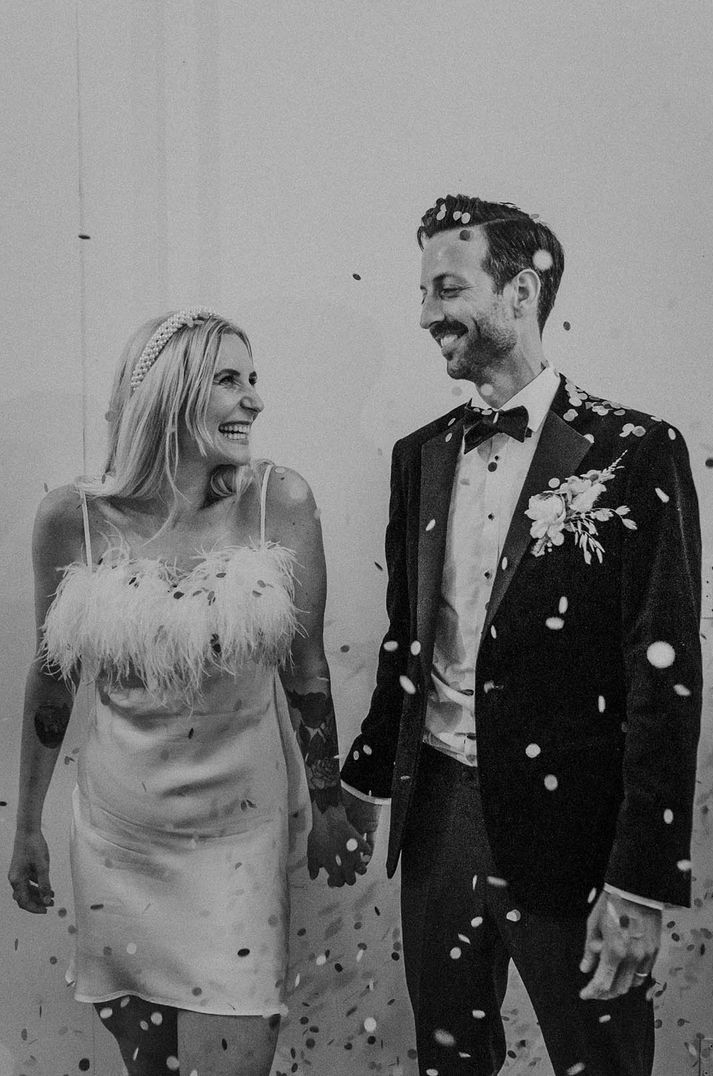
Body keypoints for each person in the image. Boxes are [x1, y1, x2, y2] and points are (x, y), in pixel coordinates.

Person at [342, 195, 702, 1076]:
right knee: (450, 1062)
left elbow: (665, 676)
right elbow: (406, 641)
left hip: (574, 832)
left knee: (603, 1062)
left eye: (448, 287)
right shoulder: (417, 456)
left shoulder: (637, 450)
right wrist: (354, 784)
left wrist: (641, 881)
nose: (428, 314)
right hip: (437, 822)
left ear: (522, 290)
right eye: (422, 291)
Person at [8, 308, 370, 1076]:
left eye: (254, 380)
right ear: (172, 394)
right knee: (151, 1068)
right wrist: (26, 826)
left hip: (238, 838)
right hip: (116, 838)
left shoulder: (281, 501)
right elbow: (52, 681)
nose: (255, 401)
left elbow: (306, 670)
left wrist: (330, 805)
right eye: (229, 381)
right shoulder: (70, 519)